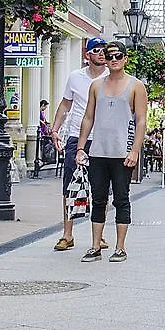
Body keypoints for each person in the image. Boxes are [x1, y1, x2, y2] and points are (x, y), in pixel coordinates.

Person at [75, 41, 147, 263]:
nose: (114, 59)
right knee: (97, 199)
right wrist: (80, 147)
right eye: (110, 56)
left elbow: (141, 120)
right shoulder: (96, 86)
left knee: (121, 199)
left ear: (125, 59)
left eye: (118, 56)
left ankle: (120, 247)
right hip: (99, 151)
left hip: (122, 152)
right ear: (105, 59)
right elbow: (88, 117)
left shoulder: (136, 86)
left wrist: (135, 150)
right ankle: (95, 246)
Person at [50, 37, 108, 252]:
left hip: (102, 138)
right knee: (70, 185)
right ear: (87, 55)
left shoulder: (111, 78)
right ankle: (67, 234)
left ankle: (98, 235)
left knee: (100, 187)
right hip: (76, 137)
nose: (101, 53)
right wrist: (55, 130)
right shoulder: (76, 77)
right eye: (96, 50)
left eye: (104, 50)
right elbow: (66, 105)